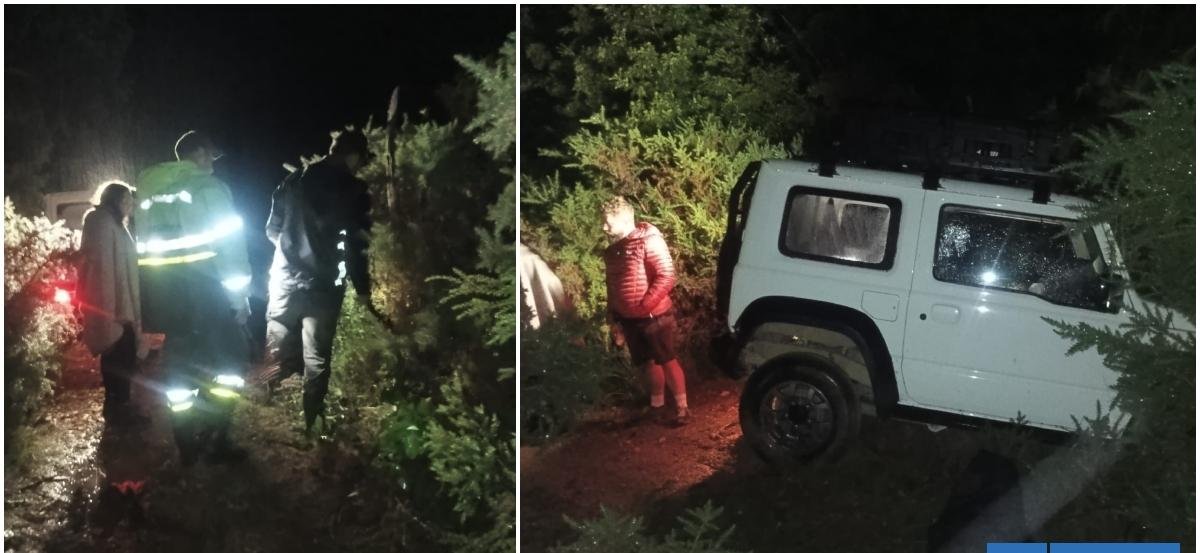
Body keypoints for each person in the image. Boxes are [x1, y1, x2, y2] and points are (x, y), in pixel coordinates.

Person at [136, 130, 252, 462]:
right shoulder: (209, 189)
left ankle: (186, 445)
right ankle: (216, 440)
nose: (213, 165)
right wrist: (239, 300)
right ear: (198, 154)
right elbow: (231, 249)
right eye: (211, 157)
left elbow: (143, 251)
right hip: (208, 295)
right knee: (231, 366)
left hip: (167, 298)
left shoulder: (148, 193)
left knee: (179, 374)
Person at [262, 129, 372, 435]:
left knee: (279, 333)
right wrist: (363, 289)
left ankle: (272, 385)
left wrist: (292, 251)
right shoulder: (354, 189)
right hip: (324, 285)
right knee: (318, 354)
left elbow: (271, 229)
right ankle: (313, 418)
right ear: (353, 156)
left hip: (284, 279)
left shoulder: (294, 180)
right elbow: (357, 244)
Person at [601, 196, 689, 424]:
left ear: (623, 219)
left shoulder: (649, 241)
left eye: (608, 222)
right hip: (630, 320)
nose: (604, 227)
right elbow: (611, 286)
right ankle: (657, 405)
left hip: (655, 316)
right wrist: (614, 316)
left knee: (667, 359)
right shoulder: (612, 252)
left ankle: (683, 409)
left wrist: (645, 304)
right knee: (649, 363)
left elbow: (667, 276)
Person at [78, 181, 147, 426]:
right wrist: (108, 312)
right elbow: (102, 272)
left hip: (120, 305)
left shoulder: (115, 224)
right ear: (113, 200)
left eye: (131, 200)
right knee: (117, 359)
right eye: (125, 199)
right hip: (111, 307)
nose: (130, 204)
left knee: (123, 358)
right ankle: (118, 410)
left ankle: (120, 407)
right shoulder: (101, 222)